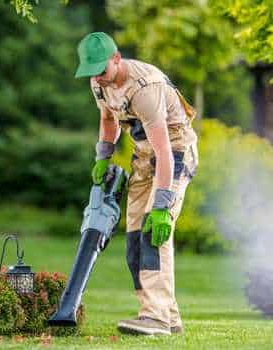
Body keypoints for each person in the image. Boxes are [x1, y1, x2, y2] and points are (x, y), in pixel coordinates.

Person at [75, 32, 198, 336]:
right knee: (133, 239)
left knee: (153, 231)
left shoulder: (146, 87)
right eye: (91, 73)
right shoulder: (99, 83)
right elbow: (108, 120)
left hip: (174, 152)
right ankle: (167, 317)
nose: (98, 79)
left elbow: (165, 152)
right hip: (143, 156)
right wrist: (103, 156)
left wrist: (162, 204)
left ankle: (154, 316)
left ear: (116, 58)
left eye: (101, 71)